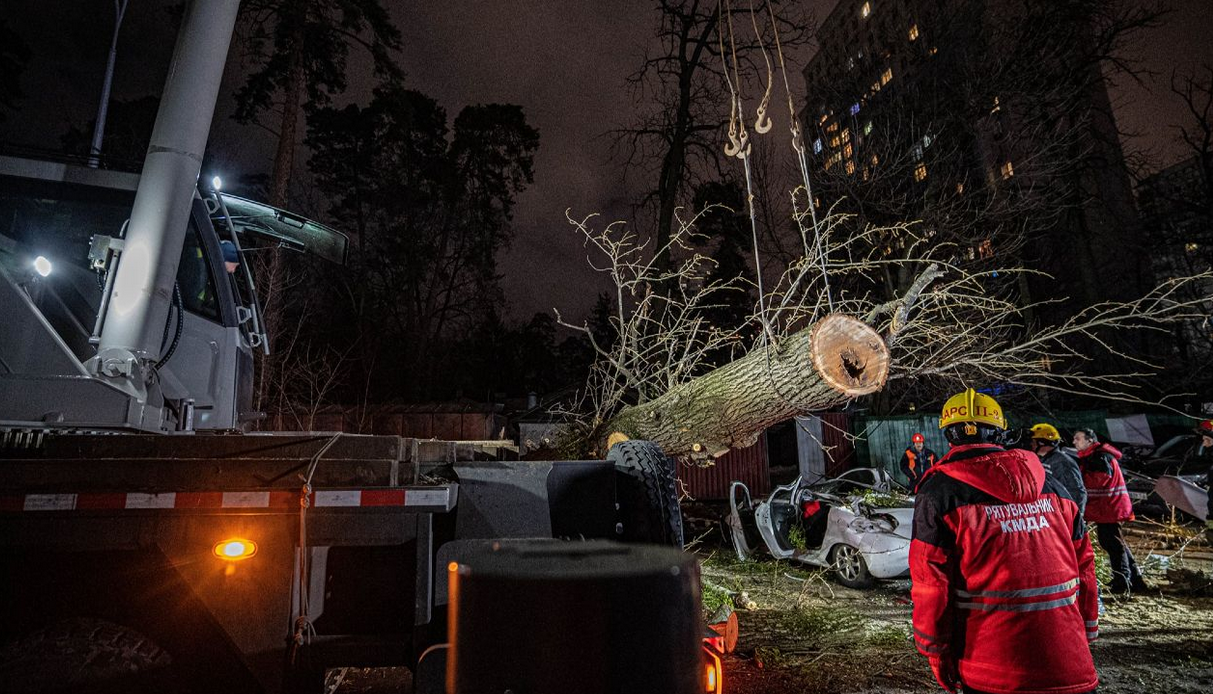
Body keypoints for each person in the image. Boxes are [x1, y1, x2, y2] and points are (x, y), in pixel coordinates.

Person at [911, 389, 1098, 694]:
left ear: (948, 435)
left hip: (990, 672)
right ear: (1000, 433)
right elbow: (1085, 568)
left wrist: (935, 651)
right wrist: (1086, 630)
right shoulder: (1054, 487)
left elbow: (930, 584)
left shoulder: (938, 494)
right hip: (1070, 666)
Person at [1073, 428, 1146, 596]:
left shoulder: (1100, 457)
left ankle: (1122, 581)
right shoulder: (1097, 456)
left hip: (1109, 508)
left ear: (1090, 440)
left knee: (1112, 544)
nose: (1074, 442)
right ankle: (1134, 580)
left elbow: (1099, 480)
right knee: (1116, 543)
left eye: (1078, 438)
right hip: (1109, 507)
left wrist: (1079, 480)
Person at [1030, 423, 1087, 520]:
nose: (1032, 444)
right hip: (1051, 513)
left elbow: (1077, 492)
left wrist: (1075, 518)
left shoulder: (1062, 462)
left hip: (1063, 516)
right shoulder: (1044, 459)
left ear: (1042, 443)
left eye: (1034, 441)